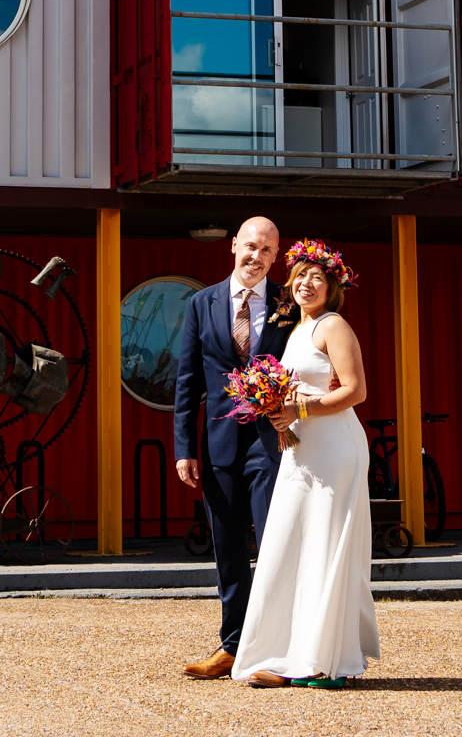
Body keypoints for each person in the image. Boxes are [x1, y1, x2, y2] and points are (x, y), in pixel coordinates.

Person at [231, 239, 379, 689]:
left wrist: (302, 410)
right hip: (301, 449)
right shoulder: (297, 329)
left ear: (332, 287)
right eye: (300, 277)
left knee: (323, 547)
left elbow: (356, 391)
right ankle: (287, 654)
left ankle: (327, 662)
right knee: (291, 546)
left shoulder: (333, 326)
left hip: (334, 449)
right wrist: (280, 413)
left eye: (317, 277)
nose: (307, 283)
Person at [173, 217, 298, 680]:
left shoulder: (289, 306)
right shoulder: (201, 304)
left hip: (273, 444)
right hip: (219, 444)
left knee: (272, 545)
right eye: (250, 246)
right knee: (227, 549)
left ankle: (277, 652)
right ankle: (232, 647)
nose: (256, 257)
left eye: (267, 251)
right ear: (233, 247)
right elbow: (187, 381)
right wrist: (184, 446)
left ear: (275, 256)